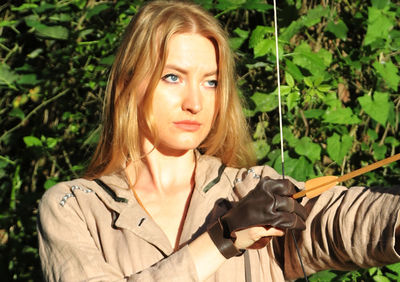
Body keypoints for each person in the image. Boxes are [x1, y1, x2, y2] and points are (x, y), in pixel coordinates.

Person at [37, 1, 400, 281]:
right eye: (172, 77)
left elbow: (347, 219)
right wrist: (222, 238)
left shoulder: (251, 192)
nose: (195, 102)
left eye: (211, 82)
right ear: (127, 86)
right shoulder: (74, 208)